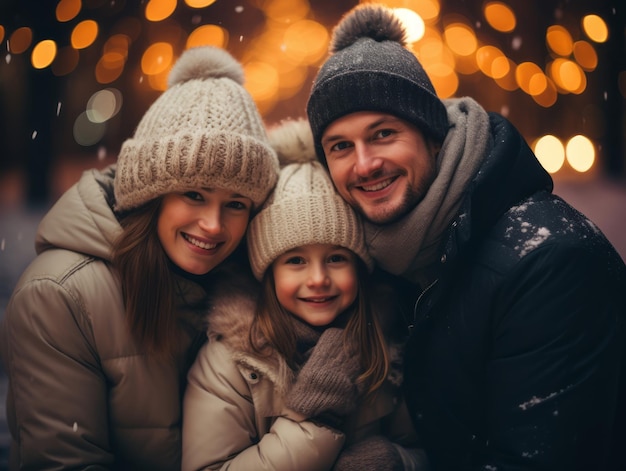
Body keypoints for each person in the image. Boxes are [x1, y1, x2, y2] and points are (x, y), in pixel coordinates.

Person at [305, 4, 626, 471]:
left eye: (383, 134)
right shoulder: (384, 260)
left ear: (433, 136)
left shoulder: (550, 262)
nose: (364, 163)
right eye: (340, 146)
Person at [0, 46, 279, 470]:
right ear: (151, 195)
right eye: (194, 194)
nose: (214, 225)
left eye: (236, 204)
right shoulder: (59, 296)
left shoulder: (249, 288)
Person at [181, 118, 429, 471]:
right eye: (295, 260)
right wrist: (314, 421)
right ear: (267, 273)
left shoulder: (381, 347)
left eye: (336, 259)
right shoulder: (231, 363)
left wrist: (397, 462)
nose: (317, 279)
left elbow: (421, 446)